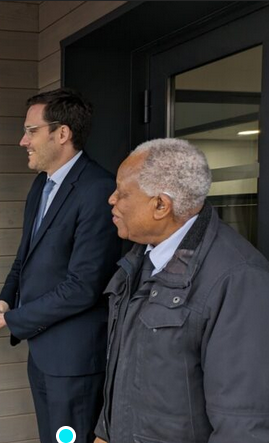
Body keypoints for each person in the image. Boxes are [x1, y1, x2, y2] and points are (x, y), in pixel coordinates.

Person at [0, 88, 122, 443]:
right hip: (44, 353)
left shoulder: (97, 189)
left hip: (76, 361)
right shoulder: (41, 185)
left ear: (62, 133)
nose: (23, 141)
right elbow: (25, 258)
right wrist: (2, 303)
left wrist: (7, 320)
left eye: (31, 131)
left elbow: (83, 287)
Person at [95, 138, 269, 443]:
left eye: (122, 193)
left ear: (161, 205)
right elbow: (129, 372)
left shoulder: (238, 279)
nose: (111, 200)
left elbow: (242, 422)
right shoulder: (141, 259)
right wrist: (105, 433)